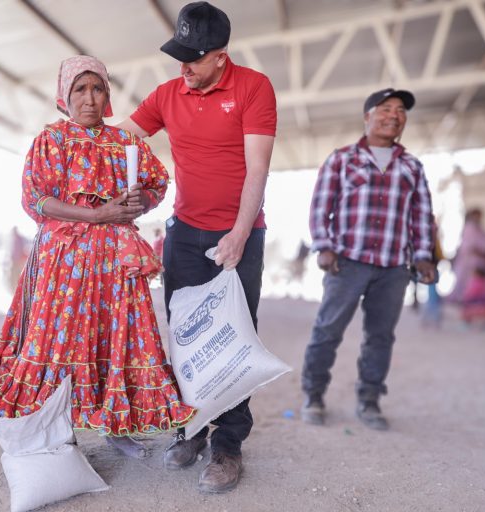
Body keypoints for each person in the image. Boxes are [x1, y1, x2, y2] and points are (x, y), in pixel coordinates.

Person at [0, 55, 195, 459]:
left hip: (114, 261)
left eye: (97, 88)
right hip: (63, 260)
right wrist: (98, 214)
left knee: (119, 338)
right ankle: (59, 432)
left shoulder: (126, 143)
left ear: (108, 95)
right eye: (80, 89)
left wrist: (139, 203)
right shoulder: (51, 140)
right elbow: (37, 200)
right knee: (60, 343)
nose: (89, 98)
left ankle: (117, 427)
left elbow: (157, 181)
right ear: (64, 97)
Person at [117, 1, 276, 493]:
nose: (183, 66)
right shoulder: (167, 93)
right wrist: (71, 131)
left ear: (221, 56)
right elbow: (122, 136)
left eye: (194, 57)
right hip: (184, 233)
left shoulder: (253, 87)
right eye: (179, 55)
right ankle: (188, 429)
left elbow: (257, 170)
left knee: (233, 337)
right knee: (185, 335)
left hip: (241, 233)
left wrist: (240, 232)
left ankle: (228, 444)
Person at [301, 88, 436, 431]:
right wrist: (324, 246)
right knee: (328, 330)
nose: (394, 115)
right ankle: (313, 395)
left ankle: (369, 400)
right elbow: (321, 207)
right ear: (367, 116)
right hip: (346, 263)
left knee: (380, 337)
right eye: (386, 108)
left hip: (394, 268)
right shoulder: (341, 159)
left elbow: (421, 215)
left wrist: (422, 257)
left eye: (401, 110)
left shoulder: (412, 166)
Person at [448, 208, 485, 305]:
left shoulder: (480, 229)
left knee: (481, 286)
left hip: (482, 264)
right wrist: (483, 254)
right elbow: (470, 248)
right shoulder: (470, 229)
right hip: (471, 264)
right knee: (470, 287)